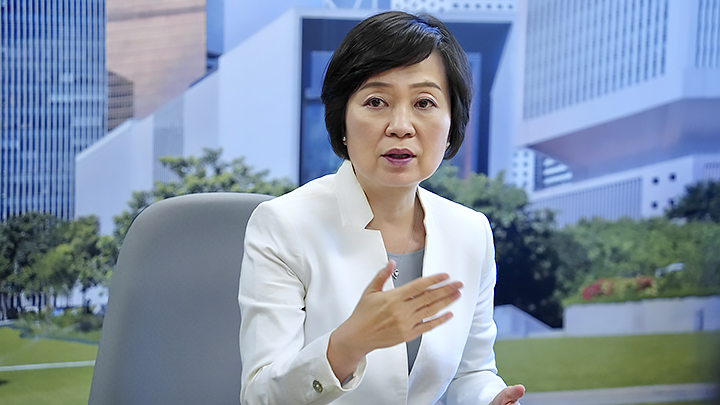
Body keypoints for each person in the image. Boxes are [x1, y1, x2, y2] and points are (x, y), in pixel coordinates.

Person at [239, 11, 525, 405]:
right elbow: (259, 396)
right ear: (342, 119)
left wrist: (490, 398)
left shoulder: (470, 230)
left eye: (424, 102)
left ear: (451, 124)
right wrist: (347, 345)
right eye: (376, 101)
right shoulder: (284, 224)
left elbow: (471, 372)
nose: (401, 126)